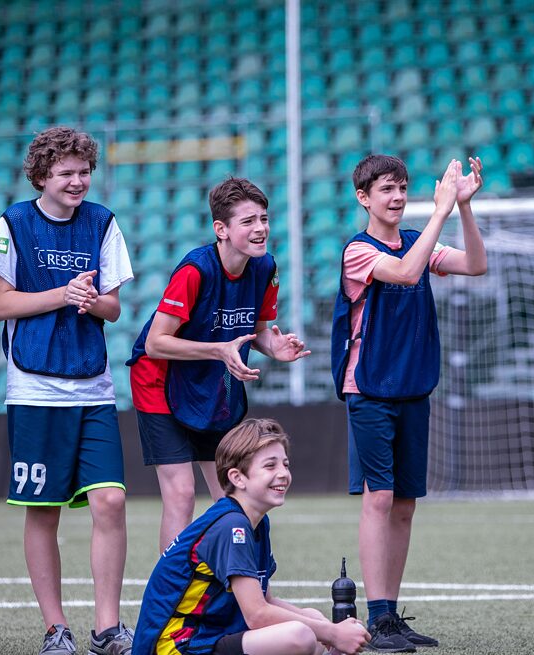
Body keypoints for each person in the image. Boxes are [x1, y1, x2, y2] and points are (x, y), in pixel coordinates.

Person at [0, 126, 135, 655]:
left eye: (84, 171)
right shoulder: (14, 222)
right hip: (35, 389)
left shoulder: (103, 222)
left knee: (111, 501)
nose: (77, 181)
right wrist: (61, 294)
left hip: (94, 387)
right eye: (66, 172)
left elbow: (113, 308)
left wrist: (92, 302)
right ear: (41, 176)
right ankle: (55, 628)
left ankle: (107, 629)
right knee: (43, 510)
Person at [330, 155, 487, 651]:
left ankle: (391, 616)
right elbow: (402, 272)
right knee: (379, 498)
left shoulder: (420, 238)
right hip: (370, 389)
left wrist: (463, 208)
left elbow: (476, 265)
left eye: (401, 187)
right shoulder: (358, 250)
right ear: (364, 198)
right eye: (386, 189)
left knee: (404, 505)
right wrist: (441, 212)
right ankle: (377, 619)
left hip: (413, 389)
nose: (397, 196)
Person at [126, 177, 309, 552]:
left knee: (232, 492)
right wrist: (219, 351)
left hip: (211, 386)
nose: (260, 229)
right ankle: (174, 586)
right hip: (158, 382)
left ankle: (240, 579)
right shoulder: (195, 271)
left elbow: (256, 332)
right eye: (248, 221)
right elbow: (155, 343)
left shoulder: (266, 267)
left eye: (264, 219)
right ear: (221, 229)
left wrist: (275, 347)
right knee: (181, 493)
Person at [132, 417, 370, 655]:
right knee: (301, 635)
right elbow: (257, 615)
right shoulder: (231, 525)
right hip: (177, 646)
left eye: (285, 464)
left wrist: (327, 628)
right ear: (237, 478)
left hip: (210, 635)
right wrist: (333, 633)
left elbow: (266, 601)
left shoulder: (256, 521)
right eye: (270, 466)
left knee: (312, 618)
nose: (283, 473)